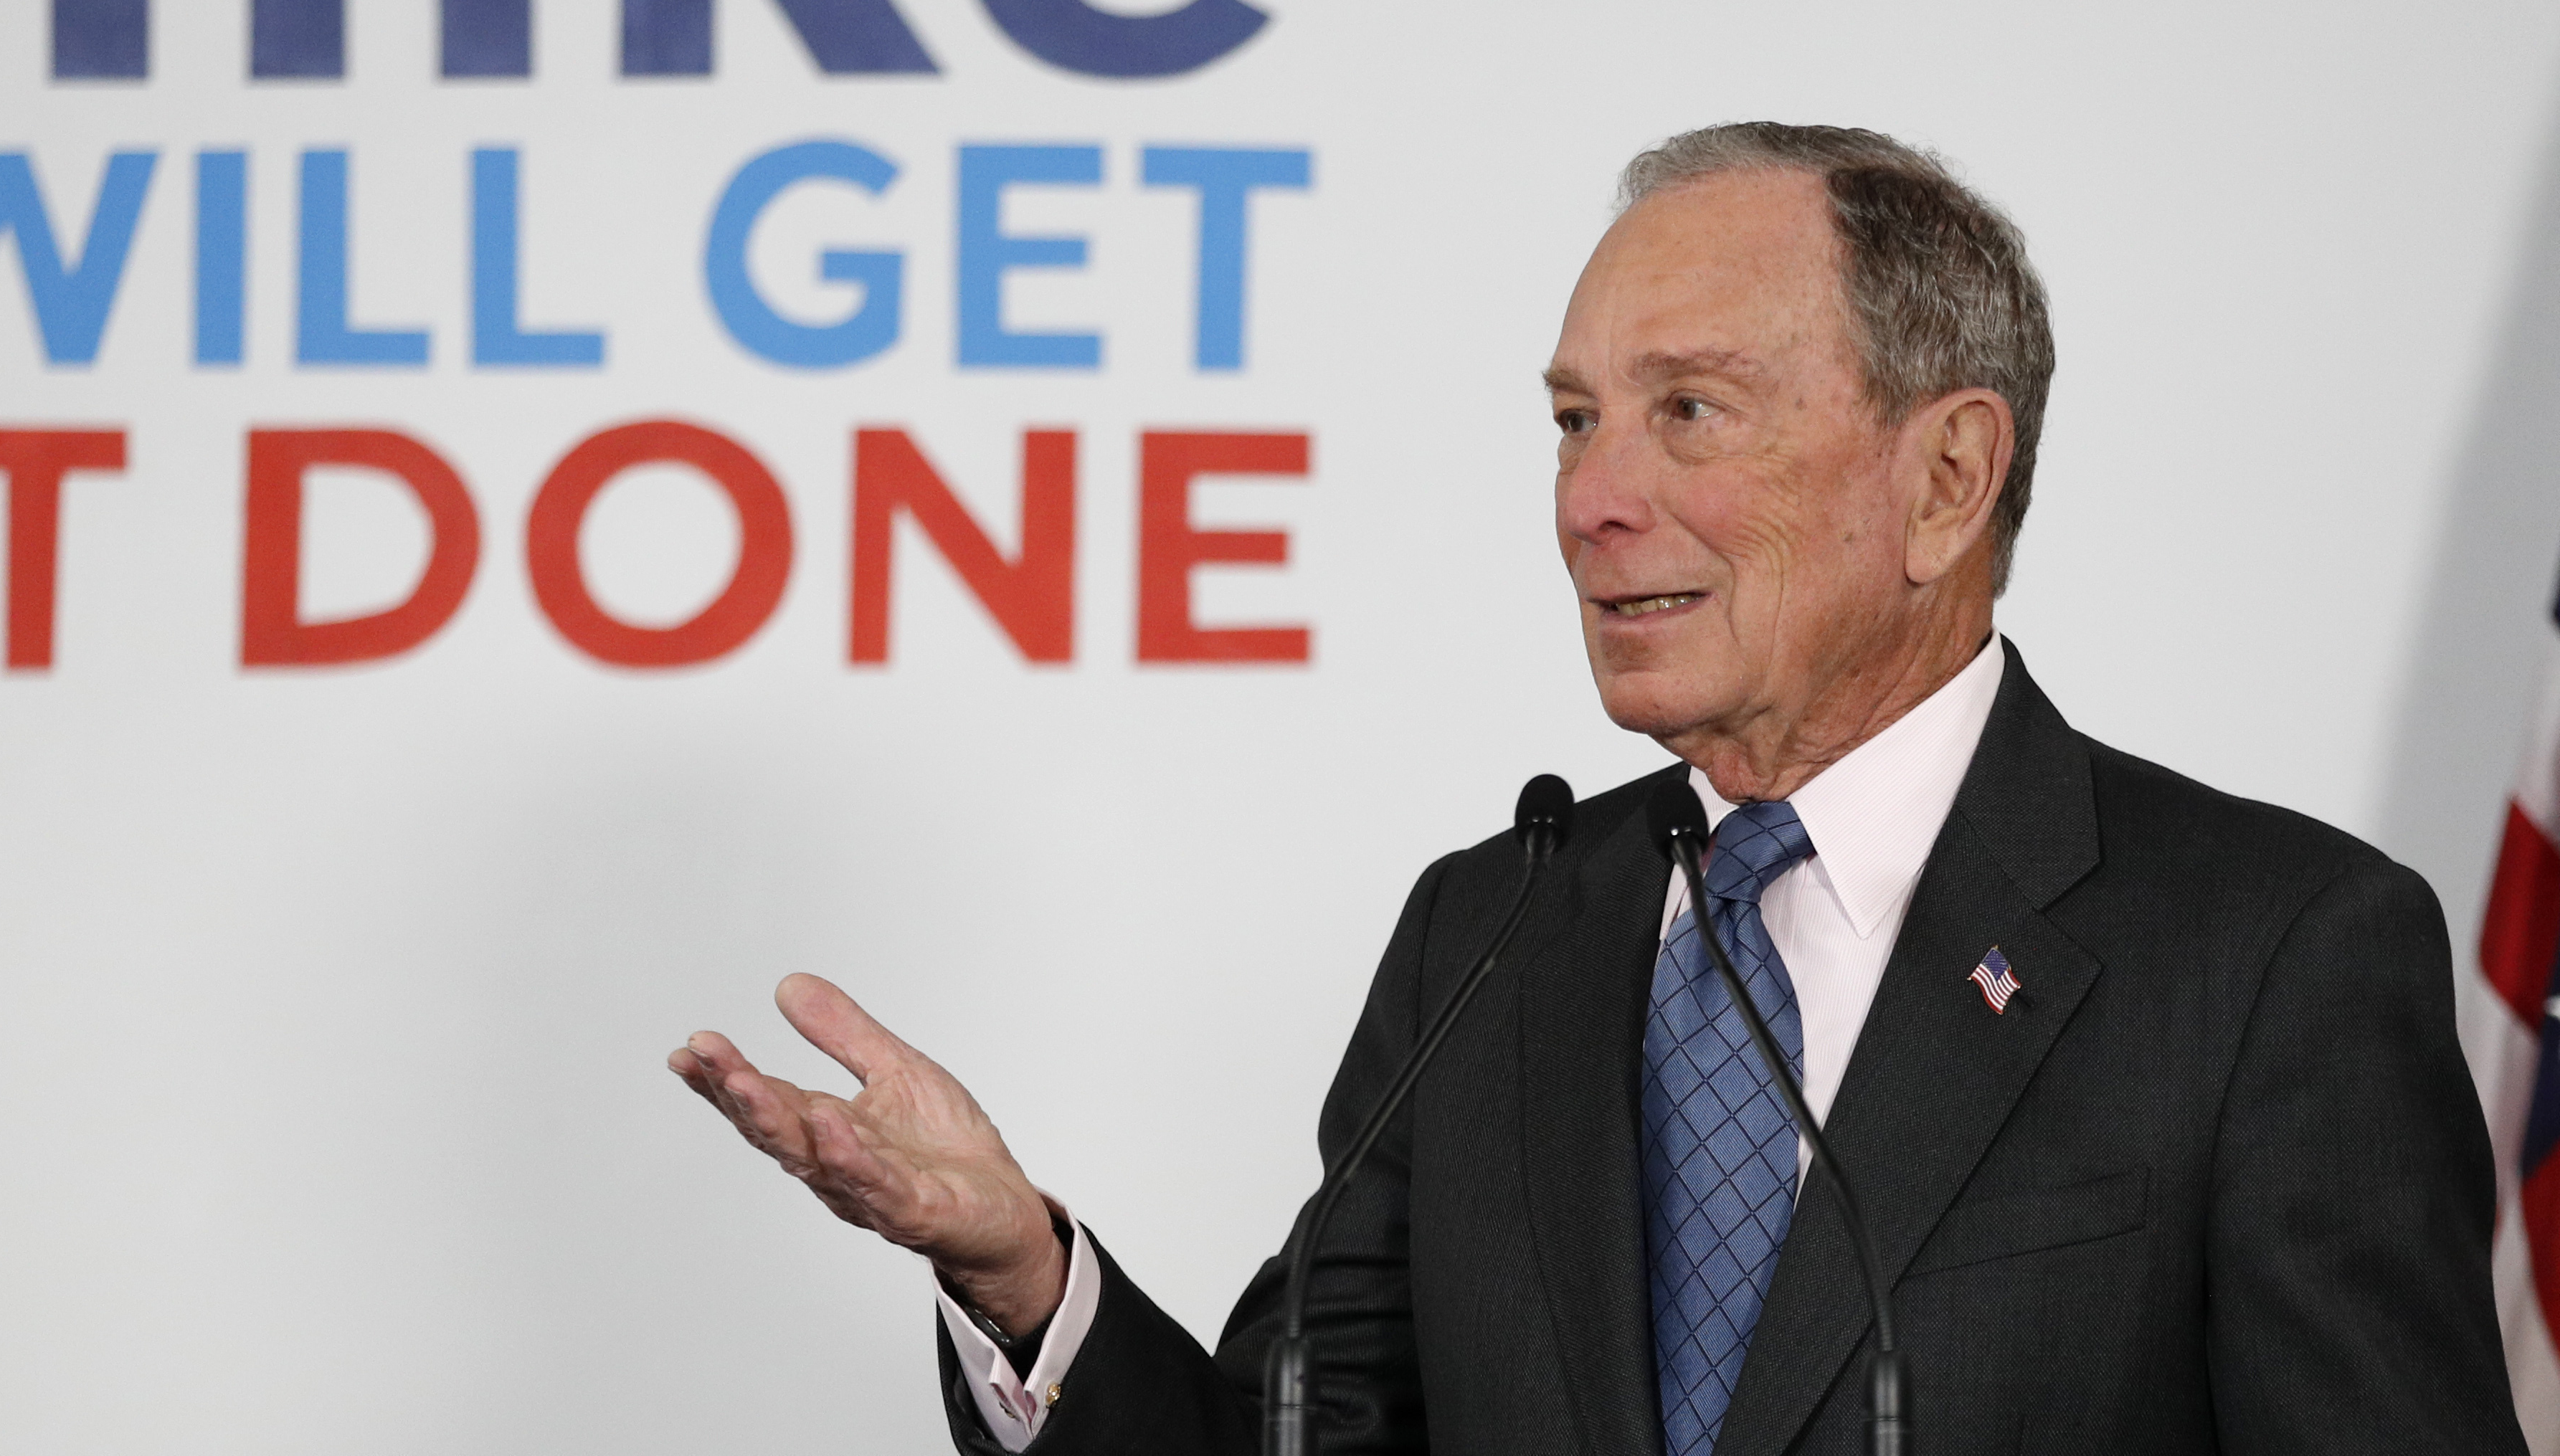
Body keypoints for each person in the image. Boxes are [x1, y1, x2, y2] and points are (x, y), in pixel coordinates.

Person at [670, 122, 2523, 1455]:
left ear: (1947, 479)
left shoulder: (2269, 955)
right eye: (1573, 423)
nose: (1590, 500)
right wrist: (1025, 1275)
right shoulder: (1497, 936)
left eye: (1689, 412)